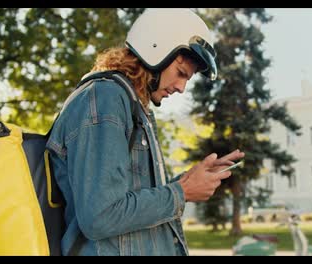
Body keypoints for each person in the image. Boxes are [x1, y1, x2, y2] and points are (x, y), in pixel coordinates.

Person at [46, 8, 245, 256]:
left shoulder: (132, 106)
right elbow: (100, 215)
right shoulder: (105, 99)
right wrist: (181, 193)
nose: (182, 88)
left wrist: (187, 182)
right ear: (155, 49)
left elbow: (131, 200)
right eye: (181, 73)